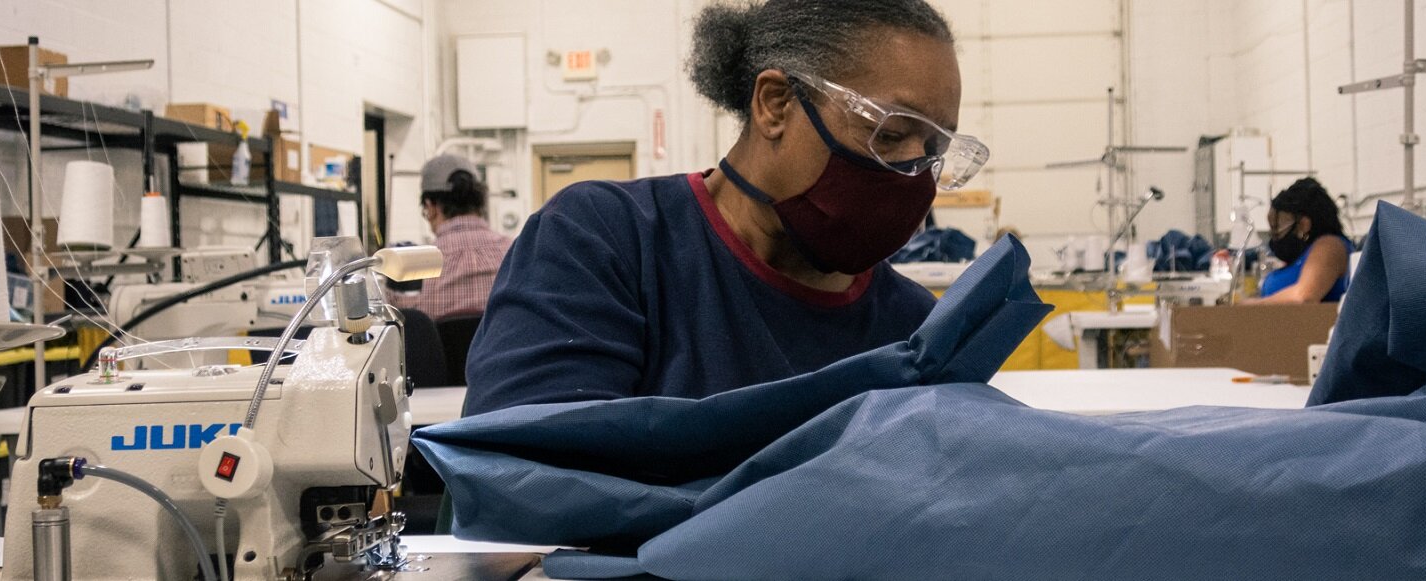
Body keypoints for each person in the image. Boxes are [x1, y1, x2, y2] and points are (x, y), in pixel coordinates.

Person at [463, 0, 989, 415]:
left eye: (935, 151)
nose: (913, 171)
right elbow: (530, 471)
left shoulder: (915, 329)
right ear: (775, 104)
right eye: (890, 133)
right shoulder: (605, 243)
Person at [384, 154, 512, 320]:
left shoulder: (420, 265)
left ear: (430, 207)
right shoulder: (513, 252)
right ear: (480, 202)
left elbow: (408, 320)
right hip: (498, 346)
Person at [1250, 178, 1353, 304]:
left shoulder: (1330, 246)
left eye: (1276, 228)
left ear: (1303, 225)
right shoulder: (1301, 258)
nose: (1273, 236)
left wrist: (1249, 306)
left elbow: (1305, 296)